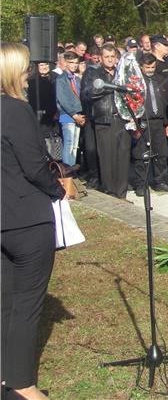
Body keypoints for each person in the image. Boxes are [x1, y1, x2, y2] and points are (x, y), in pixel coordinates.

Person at [1, 42, 66, 400]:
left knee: (5, 304)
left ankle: (3, 376)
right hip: (26, 221)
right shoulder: (15, 110)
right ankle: (23, 385)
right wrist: (59, 189)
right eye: (25, 68)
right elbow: (34, 166)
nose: (28, 75)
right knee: (25, 307)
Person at [82, 44, 131, 199]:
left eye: (112, 56)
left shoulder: (122, 73)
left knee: (123, 157)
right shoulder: (93, 73)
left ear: (116, 57)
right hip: (104, 120)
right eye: (106, 57)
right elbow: (87, 93)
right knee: (107, 159)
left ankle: (122, 194)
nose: (110, 60)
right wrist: (110, 87)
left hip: (122, 120)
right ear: (101, 58)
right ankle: (110, 193)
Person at [131, 54, 168, 197]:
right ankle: (141, 184)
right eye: (147, 67)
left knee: (162, 153)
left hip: (159, 121)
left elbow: (165, 103)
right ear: (141, 66)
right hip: (143, 122)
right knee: (141, 154)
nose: (150, 70)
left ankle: (160, 181)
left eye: (153, 67)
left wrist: (167, 123)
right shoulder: (136, 82)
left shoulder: (159, 79)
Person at [54, 51, 86, 167]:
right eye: (71, 63)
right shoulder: (61, 79)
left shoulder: (76, 79)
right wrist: (74, 115)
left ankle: (71, 168)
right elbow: (62, 100)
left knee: (75, 144)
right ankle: (67, 170)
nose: (74, 65)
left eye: (76, 63)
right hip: (67, 115)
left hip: (78, 114)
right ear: (66, 63)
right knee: (68, 143)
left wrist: (81, 114)